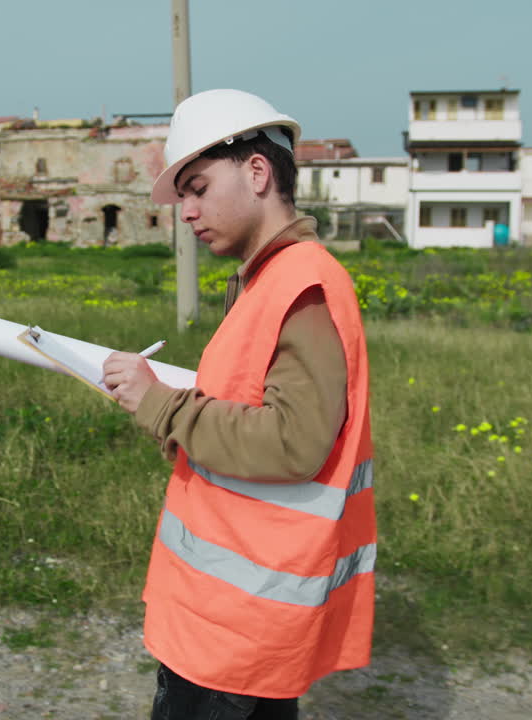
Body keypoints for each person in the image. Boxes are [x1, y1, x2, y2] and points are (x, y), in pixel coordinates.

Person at [101, 89, 377, 720]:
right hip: (226, 621)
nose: (187, 212)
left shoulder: (301, 284)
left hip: (241, 635)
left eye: (197, 188)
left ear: (257, 172)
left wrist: (164, 406)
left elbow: (292, 442)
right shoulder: (265, 280)